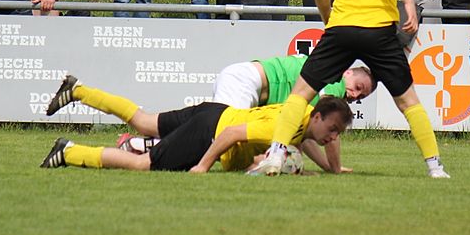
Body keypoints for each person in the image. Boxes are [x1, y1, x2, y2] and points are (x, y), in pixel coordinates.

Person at [250, 0, 450, 178]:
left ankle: (276, 154)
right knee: (408, 102)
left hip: (341, 27)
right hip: (378, 28)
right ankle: (435, 167)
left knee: (300, 95)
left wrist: (328, 21)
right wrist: (408, 0)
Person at [41, 75, 352, 174]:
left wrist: (328, 168)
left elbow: (304, 139)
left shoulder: (301, 115)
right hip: (211, 131)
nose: (333, 137)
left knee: (144, 122)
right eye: (333, 129)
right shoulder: (283, 126)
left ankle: (78, 90)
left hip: (215, 112)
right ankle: (68, 152)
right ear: (317, 116)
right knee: (143, 164)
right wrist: (203, 165)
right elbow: (231, 134)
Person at [213, 55, 375, 109]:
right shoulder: (336, 79)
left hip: (243, 79)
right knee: (224, 139)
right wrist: (334, 167)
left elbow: (304, 138)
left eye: (361, 96)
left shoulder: (326, 74)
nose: (355, 95)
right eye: (358, 87)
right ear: (347, 72)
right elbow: (328, 115)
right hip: (244, 82)